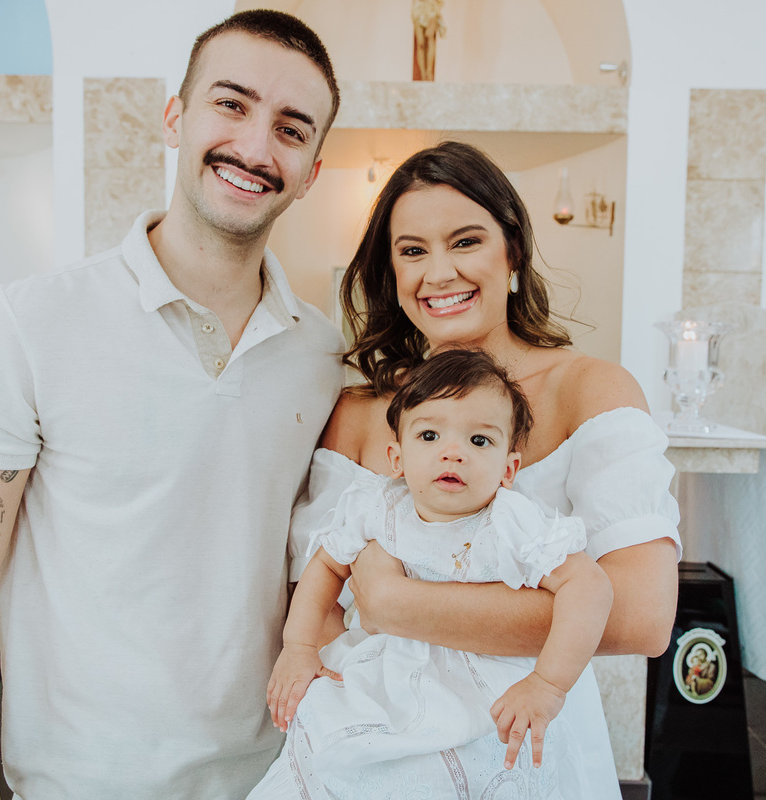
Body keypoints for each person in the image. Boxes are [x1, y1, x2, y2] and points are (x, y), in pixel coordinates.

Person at [0, 11, 345, 800]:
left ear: (313, 168)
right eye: (232, 104)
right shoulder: (30, 322)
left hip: (276, 780)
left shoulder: (324, 358)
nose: (254, 147)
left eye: (291, 128)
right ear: (175, 118)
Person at [287, 141, 682, 799]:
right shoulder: (358, 411)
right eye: (412, 250)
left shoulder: (587, 390)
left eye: (465, 241)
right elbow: (311, 592)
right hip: (370, 751)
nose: (438, 271)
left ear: (514, 251)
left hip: (520, 745)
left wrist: (394, 603)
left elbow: (642, 615)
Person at [252, 349, 612, 797]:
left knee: (469, 767)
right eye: (429, 435)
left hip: (480, 685)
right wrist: (299, 645)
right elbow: (326, 564)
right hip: (386, 675)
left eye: (479, 441)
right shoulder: (379, 505)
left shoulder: (511, 522)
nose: (452, 453)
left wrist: (548, 683)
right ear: (396, 457)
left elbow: (589, 584)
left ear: (508, 468)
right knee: (335, 752)